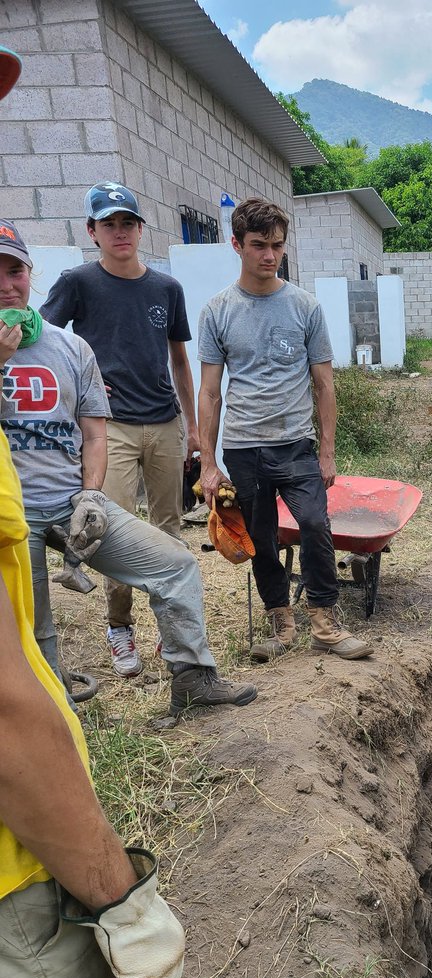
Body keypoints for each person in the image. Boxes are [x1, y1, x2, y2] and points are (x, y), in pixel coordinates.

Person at [0, 47, 185, 978]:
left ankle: (190, 666)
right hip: (14, 899)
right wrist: (120, 894)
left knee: (167, 572)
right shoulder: (70, 306)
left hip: (80, 502)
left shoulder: (64, 347)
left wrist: (84, 503)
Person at [0, 220, 257, 718]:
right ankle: (51, 722)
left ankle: (193, 679)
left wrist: (91, 495)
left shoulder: (71, 349)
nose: (5, 284)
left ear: (30, 274)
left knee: (175, 564)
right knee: (36, 626)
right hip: (10, 517)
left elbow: (95, 434)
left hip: (69, 504)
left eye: (14, 270)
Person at [197, 197, 372, 662]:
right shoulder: (218, 311)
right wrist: (208, 462)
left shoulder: (305, 308)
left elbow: (324, 384)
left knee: (315, 523)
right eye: (258, 245)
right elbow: (210, 392)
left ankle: (324, 621)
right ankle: (281, 621)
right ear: (237, 245)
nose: (269, 255)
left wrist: (328, 452)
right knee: (262, 536)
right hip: (243, 447)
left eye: (277, 245)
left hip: (295, 444)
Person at [41, 181, 200, 678]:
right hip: (110, 430)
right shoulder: (78, 283)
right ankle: (119, 628)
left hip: (165, 423)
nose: (119, 232)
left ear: (139, 228)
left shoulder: (166, 289)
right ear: (92, 231)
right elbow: (42, 343)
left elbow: (180, 360)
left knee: (169, 532)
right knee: (111, 532)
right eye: (108, 223)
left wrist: (193, 427)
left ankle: (171, 632)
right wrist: (78, 389)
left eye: (127, 222)